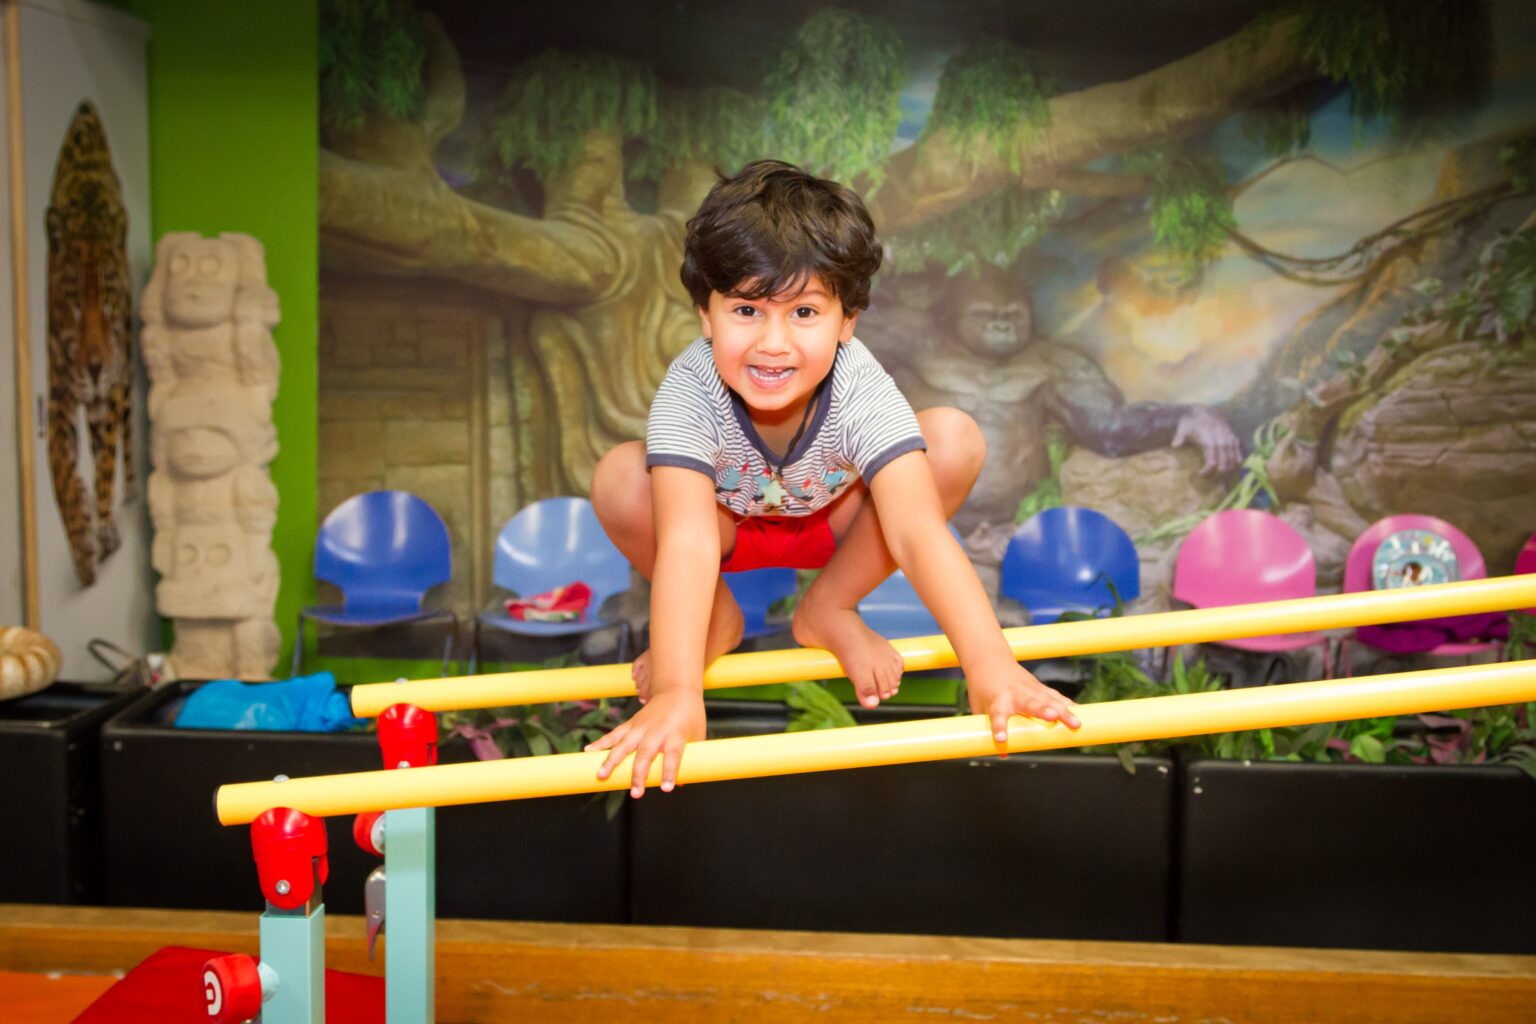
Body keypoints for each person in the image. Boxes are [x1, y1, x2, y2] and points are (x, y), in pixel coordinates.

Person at [587, 159, 1081, 798]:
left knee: (953, 439)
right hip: (724, 534)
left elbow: (917, 533)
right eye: (745, 310)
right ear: (705, 314)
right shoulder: (691, 391)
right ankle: (716, 620)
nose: (773, 343)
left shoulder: (859, 388)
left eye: (804, 312)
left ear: (847, 320)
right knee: (620, 476)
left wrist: (992, 667)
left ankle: (828, 604)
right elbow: (686, 540)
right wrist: (681, 693)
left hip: (834, 524)